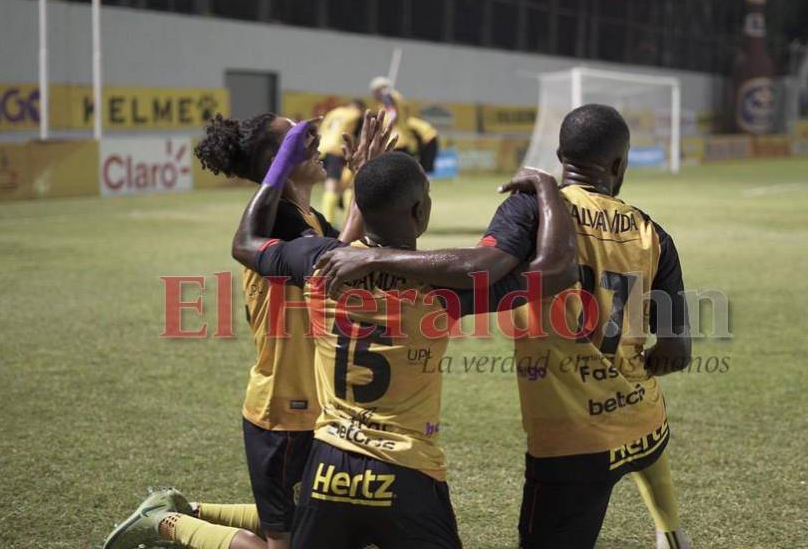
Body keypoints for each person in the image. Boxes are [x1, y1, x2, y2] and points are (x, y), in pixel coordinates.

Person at [313, 104, 693, 549]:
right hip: (643, 418)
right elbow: (676, 353)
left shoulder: (531, 206)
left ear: (558, 152)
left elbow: (484, 269)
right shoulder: (653, 233)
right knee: (645, 437)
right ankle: (671, 533)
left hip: (571, 440)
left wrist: (372, 253)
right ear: (618, 164)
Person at [234, 141, 576, 547]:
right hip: (406, 472)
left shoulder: (319, 263)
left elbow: (245, 242)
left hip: (326, 472)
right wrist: (548, 191)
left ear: (358, 206)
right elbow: (557, 269)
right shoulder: (442, 287)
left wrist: (278, 166)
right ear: (420, 212)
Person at [102, 110, 393, 549]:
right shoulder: (275, 218)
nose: (314, 144)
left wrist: (366, 183)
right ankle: (168, 525)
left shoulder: (305, 215)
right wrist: (360, 184)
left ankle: (187, 511)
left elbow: (350, 252)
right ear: (279, 158)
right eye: (299, 140)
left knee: (324, 520)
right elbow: (336, 257)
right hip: (284, 411)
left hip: (315, 403)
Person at [318, 99, 366, 226]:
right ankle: (343, 222)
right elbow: (361, 136)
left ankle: (328, 222)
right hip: (337, 150)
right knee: (348, 186)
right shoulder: (356, 114)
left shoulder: (335, 112)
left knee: (332, 185)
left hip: (322, 148)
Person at [369, 76, 417, 155]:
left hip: (394, 140)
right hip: (404, 138)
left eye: (374, 92)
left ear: (377, 90)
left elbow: (393, 113)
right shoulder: (398, 97)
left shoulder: (386, 96)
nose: (374, 96)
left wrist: (387, 126)